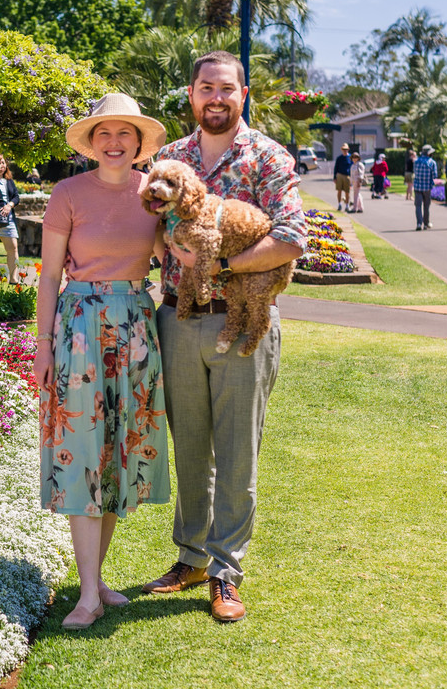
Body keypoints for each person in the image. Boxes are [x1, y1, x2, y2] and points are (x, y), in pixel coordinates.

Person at [142, 51, 306, 623]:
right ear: (191, 93)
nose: (216, 98)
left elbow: (289, 238)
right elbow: (148, 228)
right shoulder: (167, 160)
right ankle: (189, 557)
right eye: (206, 88)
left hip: (243, 321)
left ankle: (225, 572)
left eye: (227, 89)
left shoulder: (267, 157)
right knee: (189, 444)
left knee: (237, 450)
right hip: (178, 320)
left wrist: (216, 270)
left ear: (243, 94)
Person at [34, 92, 171, 630]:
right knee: (83, 449)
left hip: (137, 322)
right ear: (92, 142)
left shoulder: (156, 193)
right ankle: (88, 594)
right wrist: (42, 344)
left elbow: (175, 253)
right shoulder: (67, 192)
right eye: (104, 134)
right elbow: (48, 275)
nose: (115, 143)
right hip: (80, 328)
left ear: (139, 143)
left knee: (116, 451)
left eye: (125, 134)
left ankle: (96, 580)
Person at [0, 152, 22, 284]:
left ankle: (13, 277)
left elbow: (16, 196)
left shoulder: (9, 181)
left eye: (3, 163)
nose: (2, 166)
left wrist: (10, 205)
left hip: (8, 219)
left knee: (13, 247)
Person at [413, 144, 437, 231]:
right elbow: (434, 175)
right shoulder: (432, 162)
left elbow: (414, 172)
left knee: (418, 206)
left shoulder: (416, 161)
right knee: (426, 206)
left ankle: (419, 223)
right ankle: (426, 224)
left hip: (417, 186)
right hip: (427, 187)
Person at [333, 143, 352, 212]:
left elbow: (352, 168)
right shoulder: (339, 158)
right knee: (339, 190)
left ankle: (347, 205)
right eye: (344, 149)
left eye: (346, 149)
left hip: (347, 176)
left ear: (348, 150)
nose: (345, 151)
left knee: (347, 191)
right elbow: (336, 168)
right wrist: (334, 177)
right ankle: (339, 204)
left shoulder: (350, 158)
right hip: (340, 175)